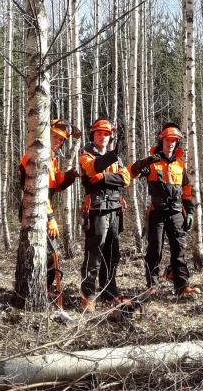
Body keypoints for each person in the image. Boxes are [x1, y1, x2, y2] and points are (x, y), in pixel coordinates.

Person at [129, 123, 201, 297]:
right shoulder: (153, 162)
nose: (171, 144)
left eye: (174, 141)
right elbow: (133, 172)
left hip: (176, 211)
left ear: (177, 143)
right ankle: (152, 284)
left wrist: (189, 211)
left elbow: (186, 190)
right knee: (155, 249)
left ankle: (182, 286)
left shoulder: (180, 166)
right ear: (162, 141)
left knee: (179, 249)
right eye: (168, 140)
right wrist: (145, 162)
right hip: (157, 211)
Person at [19, 119, 79, 307]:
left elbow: (57, 184)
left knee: (48, 252)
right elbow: (37, 191)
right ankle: (41, 289)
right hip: (35, 208)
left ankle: (43, 288)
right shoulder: (34, 157)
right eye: (55, 137)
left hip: (44, 207)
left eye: (61, 140)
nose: (58, 141)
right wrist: (50, 218)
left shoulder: (51, 160)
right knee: (47, 253)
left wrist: (71, 175)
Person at [78, 119, 131, 312]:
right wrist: (110, 162)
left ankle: (110, 291)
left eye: (107, 133)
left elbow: (125, 179)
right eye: (99, 133)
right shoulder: (86, 155)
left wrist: (105, 177)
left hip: (115, 209)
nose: (103, 136)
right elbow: (92, 171)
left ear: (111, 136)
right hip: (97, 209)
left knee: (112, 253)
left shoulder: (115, 158)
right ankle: (88, 295)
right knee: (94, 253)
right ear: (93, 135)